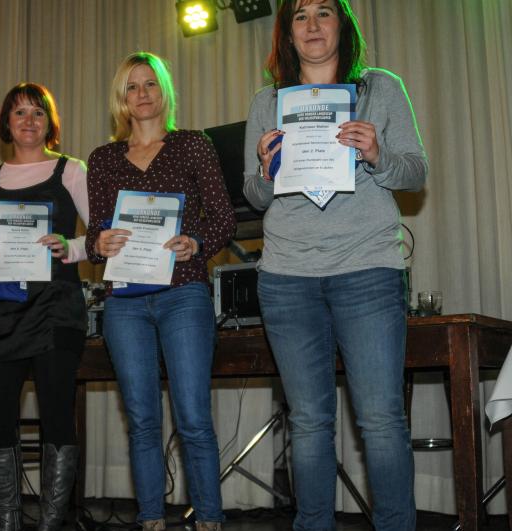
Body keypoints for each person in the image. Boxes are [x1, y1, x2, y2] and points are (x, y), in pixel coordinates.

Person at [242, 1, 427, 530]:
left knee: (381, 419)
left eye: (324, 12)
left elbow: (415, 171)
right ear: (287, 33)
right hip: (286, 277)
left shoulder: (380, 88)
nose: (313, 25)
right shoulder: (267, 102)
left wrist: (378, 154)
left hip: (368, 267)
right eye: (300, 16)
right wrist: (265, 168)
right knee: (308, 422)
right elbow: (253, 196)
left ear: (342, 24)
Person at [85, 52, 236, 531]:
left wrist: (197, 242)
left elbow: (224, 218)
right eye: (132, 86)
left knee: (193, 418)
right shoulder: (103, 159)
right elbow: (93, 236)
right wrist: (98, 243)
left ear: (164, 91)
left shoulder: (193, 145)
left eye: (151, 83)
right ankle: (150, 519)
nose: (142, 94)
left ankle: (209, 519)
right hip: (124, 302)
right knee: (142, 421)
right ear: (122, 99)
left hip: (183, 293)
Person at [0, 83, 89, 531]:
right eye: (19, 112)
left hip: (57, 308)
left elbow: (100, 236)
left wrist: (69, 246)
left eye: (38, 112)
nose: (28, 120)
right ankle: (7, 521)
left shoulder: (71, 170)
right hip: (4, 312)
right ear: (7, 122)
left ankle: (51, 523)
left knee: (56, 415)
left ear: (49, 123)